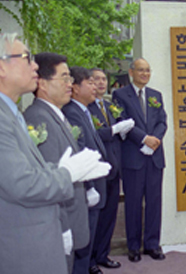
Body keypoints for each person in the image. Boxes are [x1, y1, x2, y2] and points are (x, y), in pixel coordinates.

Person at [0, 33, 108, 273]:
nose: (35, 66)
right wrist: (67, 173)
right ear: (2, 67)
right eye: (27, 58)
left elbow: (34, 169)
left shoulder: (12, 114)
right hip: (26, 245)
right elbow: (23, 183)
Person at [24, 53, 90, 273]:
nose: (70, 84)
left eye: (70, 78)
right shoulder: (38, 118)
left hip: (72, 216)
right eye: (63, 78)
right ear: (42, 83)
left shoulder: (56, 114)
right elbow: (50, 179)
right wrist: (61, 228)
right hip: (61, 222)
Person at [113, 58, 167, 262]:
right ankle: (133, 246)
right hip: (133, 158)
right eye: (141, 70)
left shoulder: (156, 95)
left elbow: (162, 121)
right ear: (131, 72)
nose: (145, 74)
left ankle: (152, 245)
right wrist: (143, 139)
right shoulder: (120, 95)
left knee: (154, 202)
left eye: (148, 70)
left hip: (155, 158)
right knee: (133, 203)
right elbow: (121, 121)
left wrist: (155, 141)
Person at [88, 68, 134, 273]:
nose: (100, 83)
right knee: (95, 218)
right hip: (97, 169)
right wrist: (114, 130)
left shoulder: (109, 105)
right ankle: (89, 260)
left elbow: (119, 132)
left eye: (103, 79)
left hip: (115, 168)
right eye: (96, 79)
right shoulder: (85, 108)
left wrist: (124, 129)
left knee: (110, 217)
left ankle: (103, 255)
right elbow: (94, 134)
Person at [62, 67, 108, 274]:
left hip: (97, 182)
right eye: (89, 82)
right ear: (75, 88)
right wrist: (89, 186)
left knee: (89, 238)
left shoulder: (84, 110)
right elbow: (78, 150)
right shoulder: (72, 112)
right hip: (86, 186)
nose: (95, 86)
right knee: (82, 242)